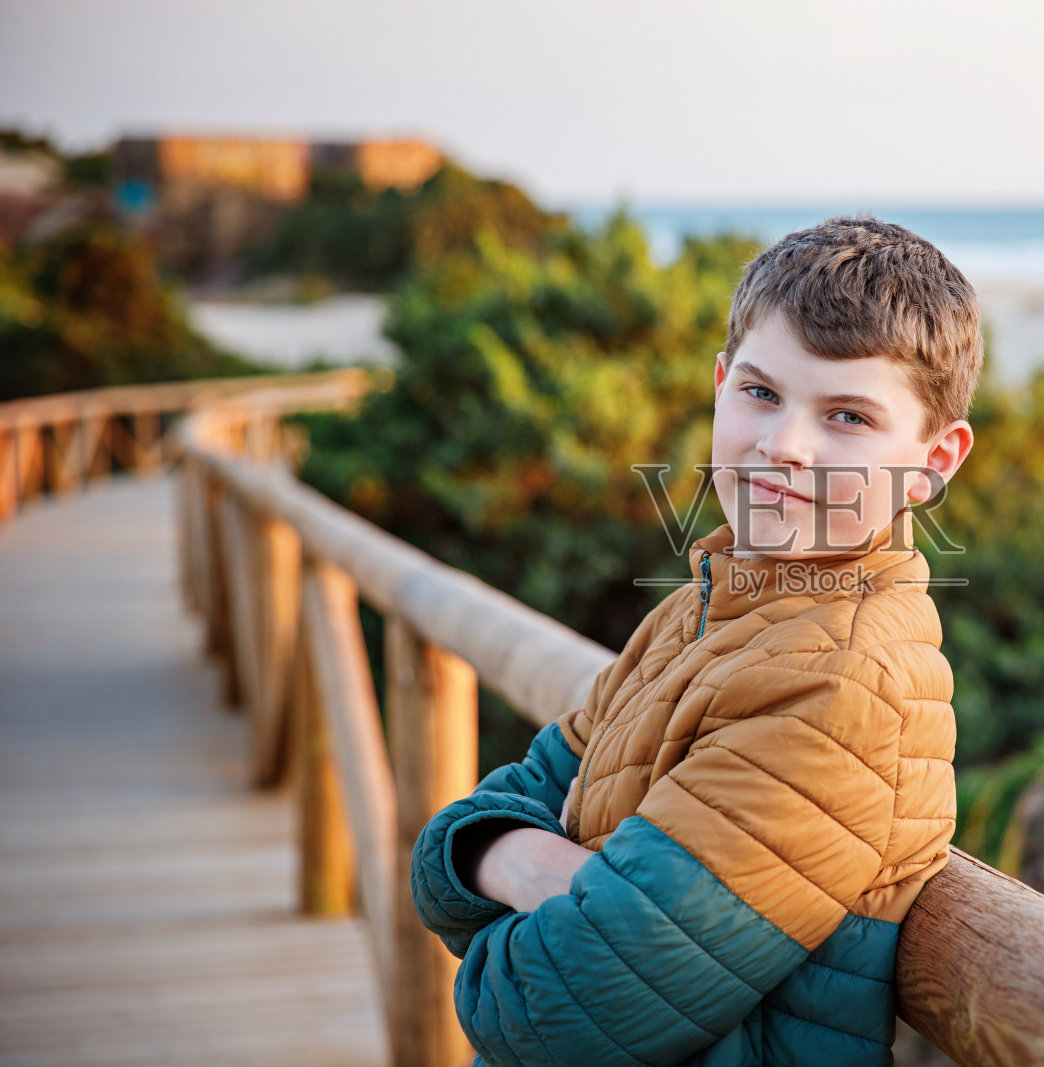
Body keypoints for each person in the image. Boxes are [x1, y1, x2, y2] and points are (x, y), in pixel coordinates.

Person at [410, 216, 982, 1066]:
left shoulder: (844, 687)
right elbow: (451, 844)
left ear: (934, 461)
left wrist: (518, 871)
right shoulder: (703, 606)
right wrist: (528, 865)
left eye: (849, 416)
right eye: (761, 392)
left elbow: (542, 1011)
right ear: (719, 384)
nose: (783, 445)